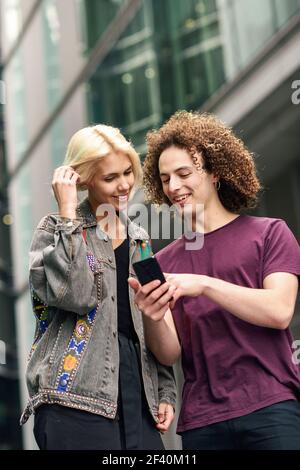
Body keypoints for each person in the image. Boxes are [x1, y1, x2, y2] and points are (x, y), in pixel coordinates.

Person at [128, 111, 300, 450]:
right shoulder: (163, 262)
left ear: (215, 172)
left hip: (272, 407)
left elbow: (279, 310)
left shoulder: (269, 234)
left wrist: (204, 285)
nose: (173, 187)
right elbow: (168, 354)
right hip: (203, 424)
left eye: (183, 173)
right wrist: (153, 313)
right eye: (165, 179)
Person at [20, 124, 176, 450]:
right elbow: (75, 295)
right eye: (110, 178)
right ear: (84, 179)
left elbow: (149, 318)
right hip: (74, 398)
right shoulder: (54, 230)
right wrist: (67, 215)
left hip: (138, 398)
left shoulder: (140, 241)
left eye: (127, 172)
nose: (124, 186)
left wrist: (165, 391)